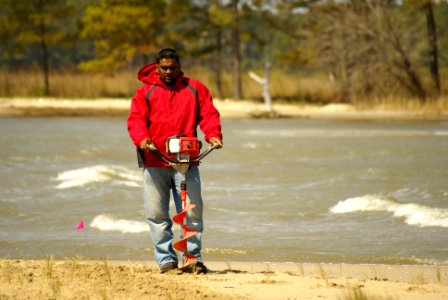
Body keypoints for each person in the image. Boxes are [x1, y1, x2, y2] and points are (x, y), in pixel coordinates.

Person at [127, 48, 223, 274]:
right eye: (164, 68)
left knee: (191, 212)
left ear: (179, 67)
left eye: (172, 67)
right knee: (157, 214)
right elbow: (136, 120)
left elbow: (208, 115)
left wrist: (213, 135)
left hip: (186, 162)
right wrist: (143, 139)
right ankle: (166, 261)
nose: (168, 71)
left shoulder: (195, 89)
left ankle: (192, 259)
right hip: (154, 161)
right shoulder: (145, 93)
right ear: (157, 68)